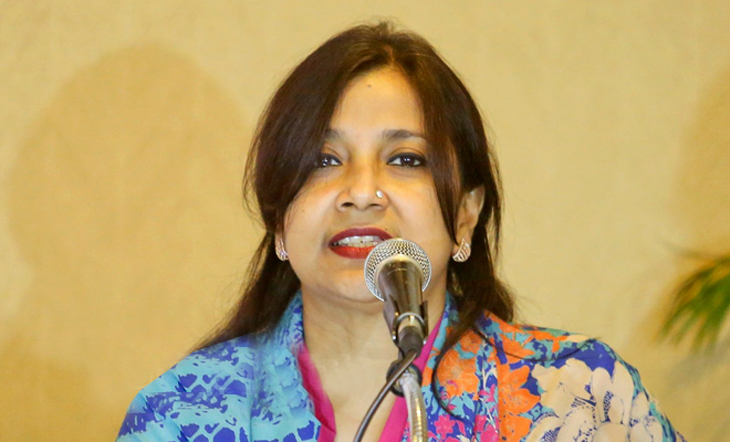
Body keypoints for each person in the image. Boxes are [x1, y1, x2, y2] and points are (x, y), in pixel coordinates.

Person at [117, 22, 684, 442]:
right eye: (323, 160)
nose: (362, 191)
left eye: (406, 159)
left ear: (465, 215)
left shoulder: (577, 397)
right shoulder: (181, 415)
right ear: (279, 221)